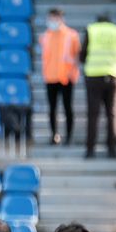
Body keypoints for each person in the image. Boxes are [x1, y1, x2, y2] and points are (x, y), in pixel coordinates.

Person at [80, 13, 116, 159]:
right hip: (114, 76)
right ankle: (112, 149)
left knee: (93, 115)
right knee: (112, 114)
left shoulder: (91, 29)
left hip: (93, 76)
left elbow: (82, 55)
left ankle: (90, 150)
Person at [39, 8, 81, 146]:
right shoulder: (45, 36)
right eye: (50, 18)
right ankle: (54, 135)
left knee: (67, 107)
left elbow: (76, 56)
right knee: (52, 108)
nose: (52, 21)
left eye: (55, 18)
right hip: (50, 77)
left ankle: (69, 136)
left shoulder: (71, 35)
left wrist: (72, 73)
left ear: (61, 19)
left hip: (66, 77)